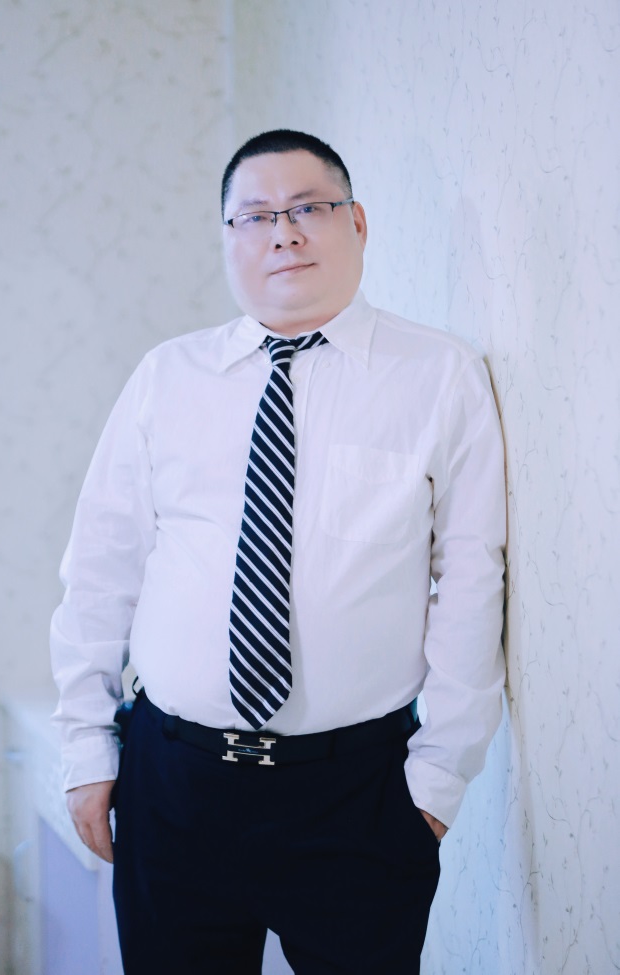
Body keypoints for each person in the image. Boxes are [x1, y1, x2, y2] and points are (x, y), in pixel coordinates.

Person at [51, 129, 506, 974]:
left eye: (309, 208)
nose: (284, 234)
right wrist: (86, 752)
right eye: (254, 216)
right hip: (173, 785)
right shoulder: (166, 378)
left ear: (357, 222)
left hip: (358, 797)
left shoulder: (440, 376)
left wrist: (438, 780)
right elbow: (100, 571)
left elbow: (473, 580)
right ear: (228, 239)